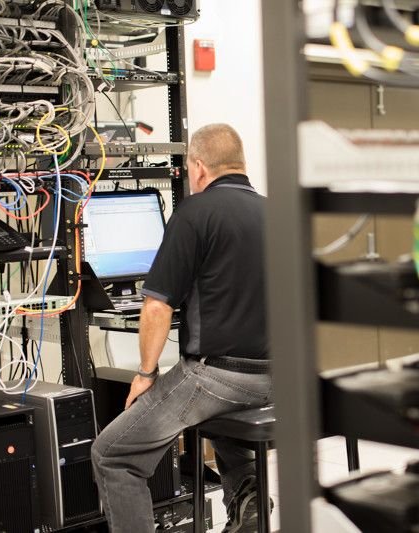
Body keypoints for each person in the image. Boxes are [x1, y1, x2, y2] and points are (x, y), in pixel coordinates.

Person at [91, 123, 270, 532]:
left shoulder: (194, 213)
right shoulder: (274, 212)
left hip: (218, 377)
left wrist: (145, 373)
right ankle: (250, 498)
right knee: (221, 412)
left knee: (112, 454)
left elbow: (156, 306)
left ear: (200, 167)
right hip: (280, 376)